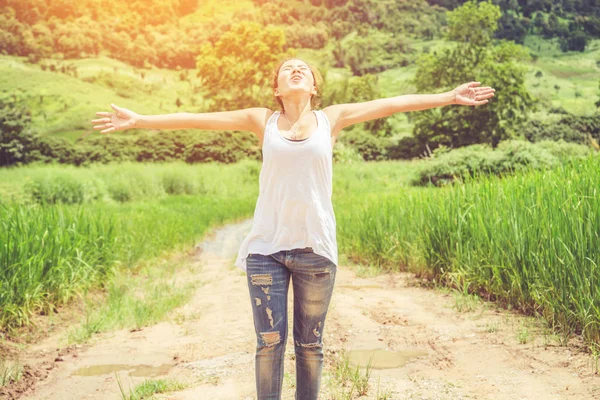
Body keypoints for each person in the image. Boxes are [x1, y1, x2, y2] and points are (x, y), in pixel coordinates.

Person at [91, 57, 495, 399]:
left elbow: (391, 103)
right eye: (288, 69)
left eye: (304, 69)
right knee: (269, 345)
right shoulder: (261, 120)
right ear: (278, 89)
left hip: (316, 250)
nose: (296, 70)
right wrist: (140, 119)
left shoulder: (331, 119)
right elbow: (199, 120)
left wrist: (448, 97)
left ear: (315, 87)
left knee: (310, 347)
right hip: (266, 250)